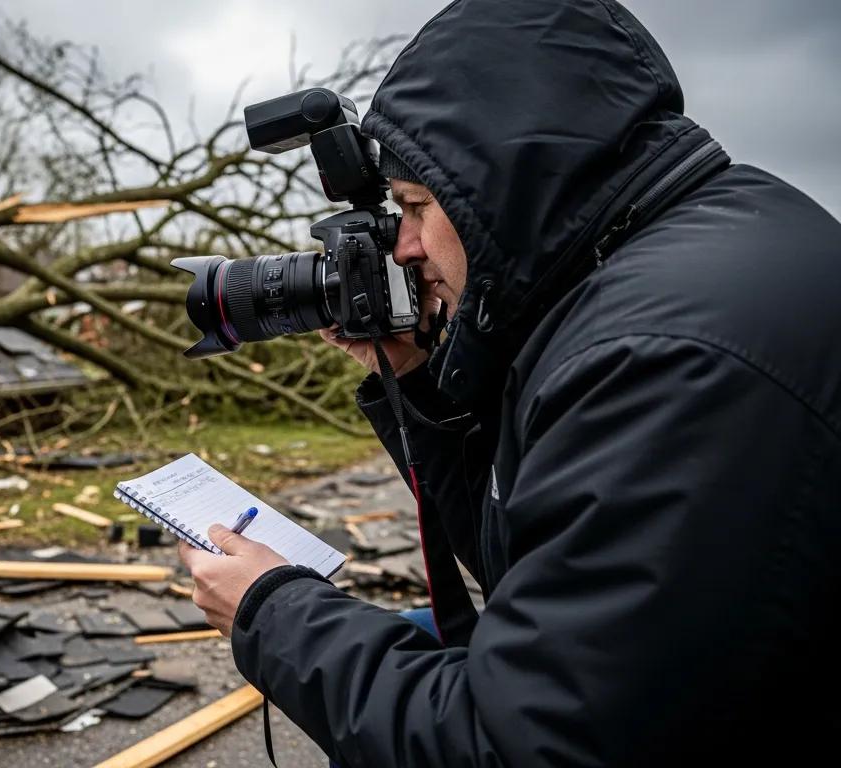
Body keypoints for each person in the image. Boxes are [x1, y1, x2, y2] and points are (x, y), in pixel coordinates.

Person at [179, 0, 841, 764]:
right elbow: (542, 570)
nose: (406, 248)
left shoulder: (659, 360)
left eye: (419, 208)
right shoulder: (676, 259)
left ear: (498, 190)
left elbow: (518, 743)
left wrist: (273, 610)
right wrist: (421, 385)